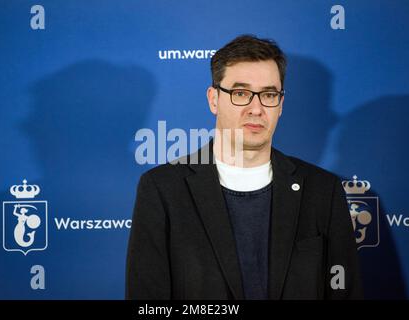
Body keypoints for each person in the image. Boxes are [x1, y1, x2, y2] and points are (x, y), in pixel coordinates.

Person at [126, 35, 362, 299]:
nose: (256, 108)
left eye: (269, 94)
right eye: (240, 93)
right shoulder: (163, 189)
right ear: (213, 99)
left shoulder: (322, 190)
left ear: (281, 104)